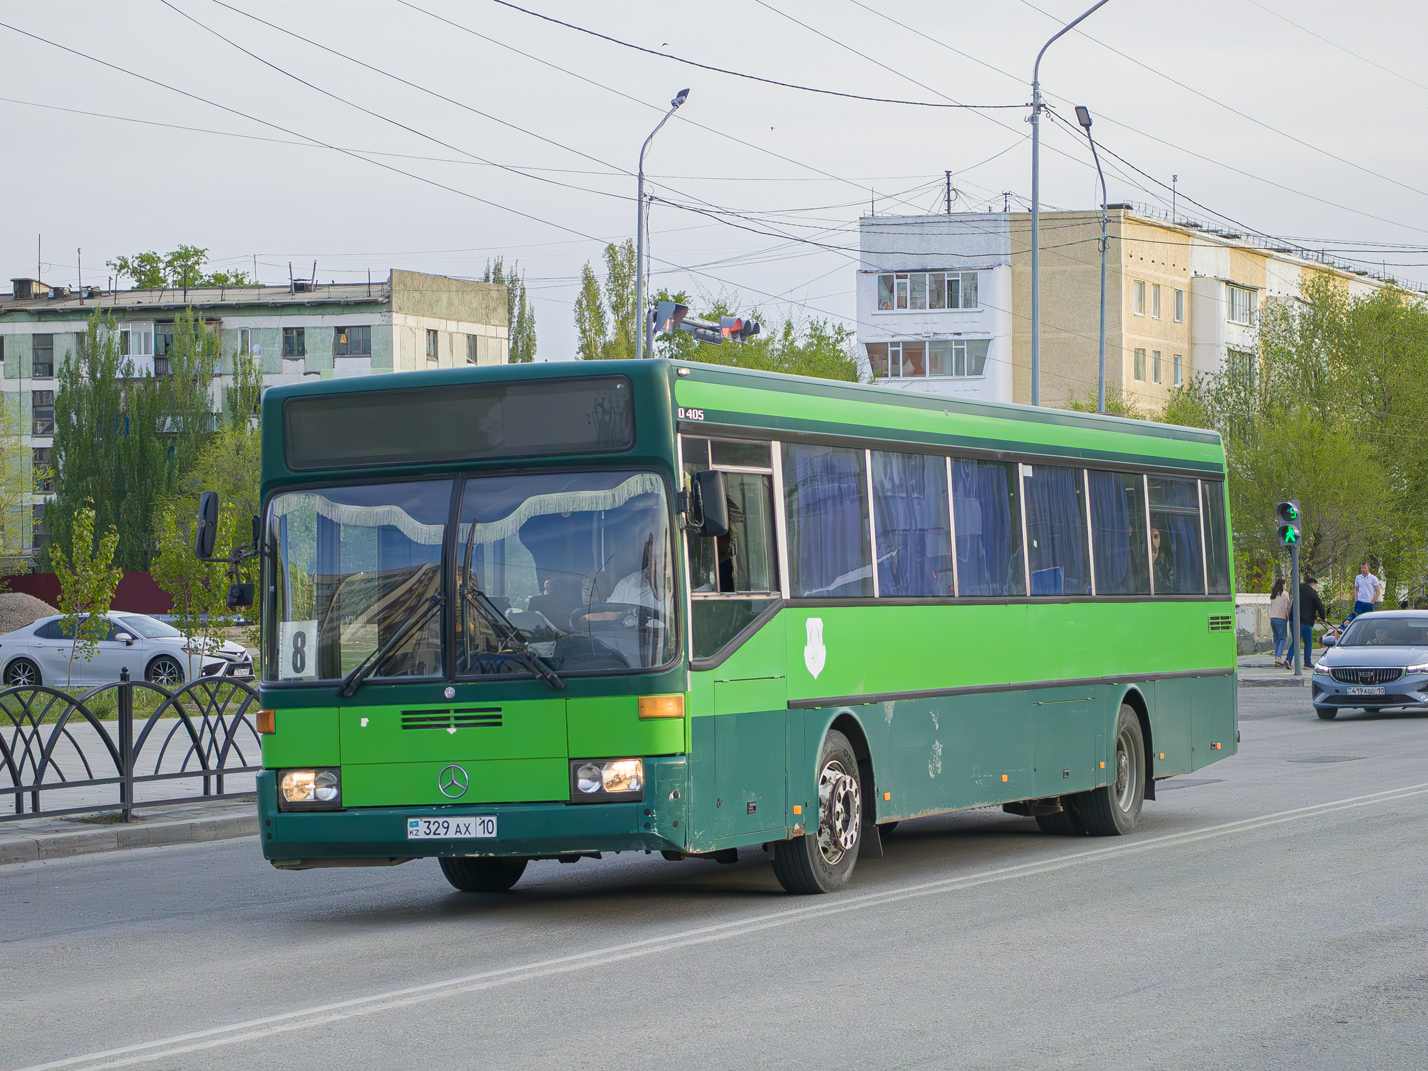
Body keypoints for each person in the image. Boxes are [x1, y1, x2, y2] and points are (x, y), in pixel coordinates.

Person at [1286, 576, 1328, 668]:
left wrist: (1315, 617)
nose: (1316, 588)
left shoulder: (1298, 591)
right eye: (1316, 586)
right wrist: (1323, 617)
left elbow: (1305, 607)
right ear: (1312, 584)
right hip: (1305, 621)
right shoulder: (1312, 592)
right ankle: (1307, 663)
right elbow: (1319, 605)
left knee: (1296, 641)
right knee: (1308, 642)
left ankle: (1288, 659)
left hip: (1293, 619)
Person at [1268, 578, 1291, 668]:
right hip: (1280, 617)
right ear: (1283, 585)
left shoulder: (1273, 595)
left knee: (1276, 639)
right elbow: (1287, 606)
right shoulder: (1284, 594)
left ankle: (1276, 658)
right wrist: (1288, 617)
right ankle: (1278, 657)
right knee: (1283, 638)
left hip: (1272, 618)